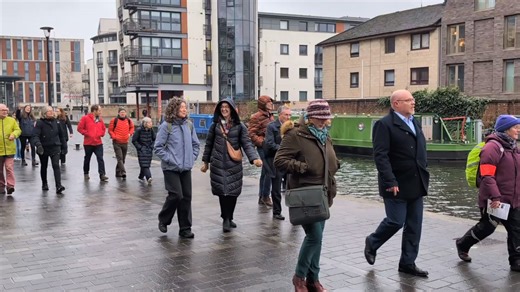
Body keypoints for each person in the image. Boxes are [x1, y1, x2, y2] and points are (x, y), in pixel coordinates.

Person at [274, 99, 339, 292]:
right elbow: (280, 160)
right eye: (319, 118)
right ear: (310, 117)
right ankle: (299, 277)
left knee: (318, 239)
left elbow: (327, 158)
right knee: (314, 236)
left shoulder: (325, 135)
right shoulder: (296, 134)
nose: (323, 121)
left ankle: (314, 279)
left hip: (324, 193)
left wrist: (336, 164)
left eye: (325, 118)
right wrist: (302, 167)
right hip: (306, 193)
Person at [363, 89, 430, 278]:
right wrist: (390, 180)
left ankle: (408, 263)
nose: (413, 102)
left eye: (413, 99)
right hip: (396, 183)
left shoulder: (414, 122)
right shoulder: (384, 125)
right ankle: (372, 242)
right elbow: (381, 156)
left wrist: (424, 169)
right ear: (396, 104)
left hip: (416, 182)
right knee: (395, 221)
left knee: (414, 225)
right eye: (408, 100)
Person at [456, 115, 520, 271]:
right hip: (496, 198)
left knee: (517, 229)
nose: (518, 130)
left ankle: (516, 261)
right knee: (487, 227)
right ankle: (462, 244)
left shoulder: (514, 147)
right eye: (515, 127)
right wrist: (495, 196)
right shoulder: (492, 147)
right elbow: (487, 175)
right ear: (506, 129)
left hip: (514, 198)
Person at [201, 98, 262, 232]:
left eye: (226, 107)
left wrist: (254, 159)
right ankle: (226, 219)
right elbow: (208, 145)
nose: (224, 109)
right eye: (222, 107)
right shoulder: (215, 126)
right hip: (218, 164)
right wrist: (205, 162)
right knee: (223, 192)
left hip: (234, 164)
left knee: (233, 192)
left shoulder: (240, 126)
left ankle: (230, 216)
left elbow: (247, 144)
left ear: (232, 109)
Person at [154, 97, 200, 238]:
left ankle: (185, 228)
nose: (184, 110)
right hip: (171, 168)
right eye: (181, 108)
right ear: (174, 109)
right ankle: (164, 219)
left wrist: (191, 158)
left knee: (186, 197)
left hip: (186, 167)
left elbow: (196, 145)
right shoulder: (166, 126)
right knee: (176, 195)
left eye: (185, 107)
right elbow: (158, 147)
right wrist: (171, 159)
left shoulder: (189, 125)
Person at [264, 105, 292, 220]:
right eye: (286, 115)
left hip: (289, 161)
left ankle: (294, 211)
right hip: (276, 160)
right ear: (279, 115)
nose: (288, 117)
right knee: (276, 188)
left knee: (291, 187)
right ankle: (277, 212)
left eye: (289, 115)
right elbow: (269, 143)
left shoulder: (291, 127)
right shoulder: (272, 127)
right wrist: (282, 149)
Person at [32, 106, 67, 194]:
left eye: (52, 111)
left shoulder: (57, 122)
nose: (51, 112)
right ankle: (44, 183)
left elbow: (62, 136)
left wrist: (64, 147)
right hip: (43, 147)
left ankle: (58, 186)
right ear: (44, 113)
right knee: (44, 166)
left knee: (56, 165)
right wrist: (38, 145)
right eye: (49, 111)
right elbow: (35, 135)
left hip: (55, 146)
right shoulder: (39, 123)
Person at [248, 95, 275, 207]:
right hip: (263, 146)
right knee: (270, 170)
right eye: (269, 103)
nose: (271, 105)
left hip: (270, 146)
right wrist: (262, 142)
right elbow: (251, 134)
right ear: (263, 104)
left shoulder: (270, 116)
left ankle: (262, 197)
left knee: (265, 172)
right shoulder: (256, 117)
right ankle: (265, 196)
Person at [77, 105, 108, 182]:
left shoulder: (100, 119)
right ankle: (86, 173)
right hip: (88, 143)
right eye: (99, 110)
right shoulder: (85, 118)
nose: (100, 112)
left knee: (100, 158)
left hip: (98, 142)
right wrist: (87, 133)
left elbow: (103, 128)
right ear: (94, 110)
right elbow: (79, 128)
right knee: (87, 158)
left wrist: (101, 134)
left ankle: (102, 175)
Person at [0, 104, 21, 195]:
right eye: (3, 110)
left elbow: (18, 130)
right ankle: (1, 186)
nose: (5, 112)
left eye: (6, 110)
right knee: (0, 170)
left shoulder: (12, 120)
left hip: (10, 149)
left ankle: (10, 186)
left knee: (9, 167)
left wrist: (14, 134)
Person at [108, 108, 135, 178]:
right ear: (118, 113)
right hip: (117, 142)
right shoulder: (114, 120)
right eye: (121, 112)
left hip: (125, 142)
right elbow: (110, 130)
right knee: (119, 158)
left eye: (124, 112)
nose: (122, 113)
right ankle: (123, 172)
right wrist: (114, 136)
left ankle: (117, 172)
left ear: (126, 113)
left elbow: (132, 128)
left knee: (123, 159)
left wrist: (129, 134)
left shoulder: (128, 120)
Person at [132, 117, 156, 184]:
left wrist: (151, 146)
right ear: (145, 123)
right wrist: (140, 147)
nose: (151, 124)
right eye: (149, 122)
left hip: (149, 149)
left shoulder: (151, 130)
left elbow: (155, 139)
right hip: (141, 150)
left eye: (151, 122)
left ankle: (141, 176)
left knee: (145, 163)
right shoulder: (139, 130)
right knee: (145, 165)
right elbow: (134, 140)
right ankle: (149, 177)